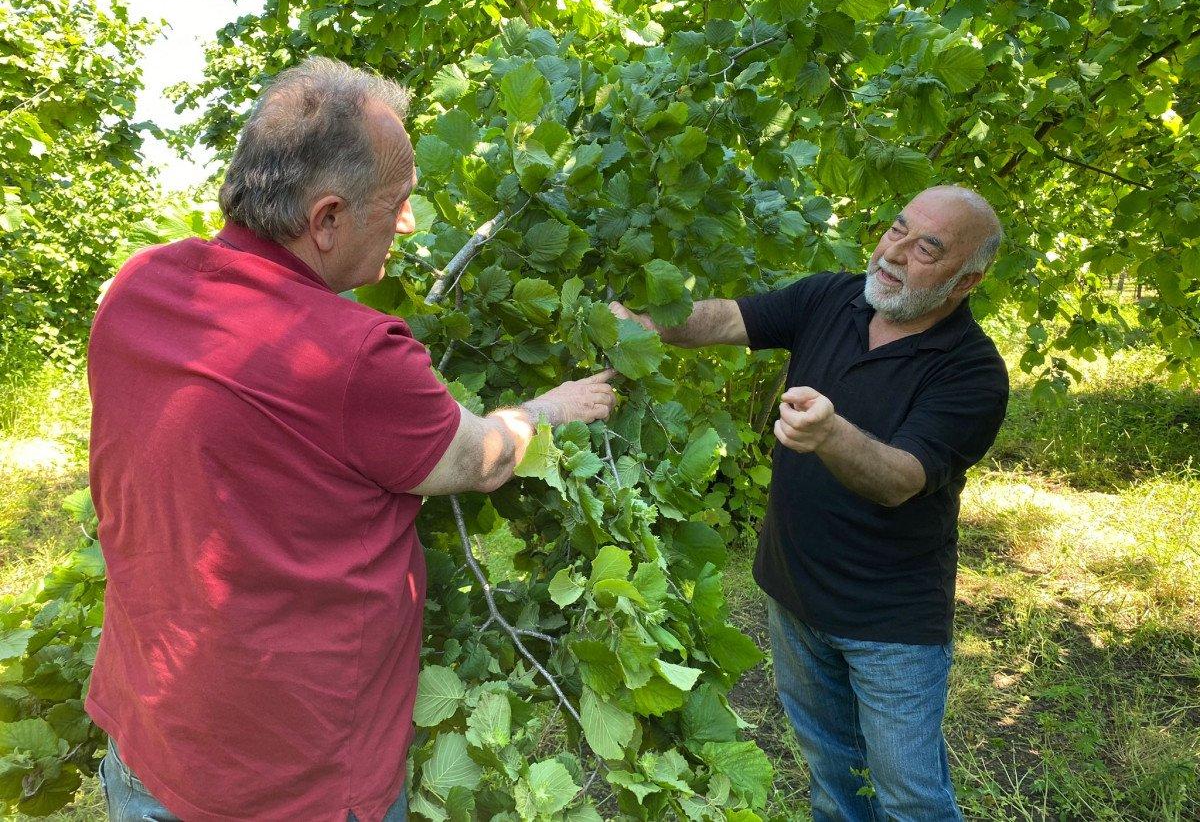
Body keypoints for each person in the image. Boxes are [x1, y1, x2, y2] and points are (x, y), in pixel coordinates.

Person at [85, 57, 616, 822]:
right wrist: (545, 408)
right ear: (327, 220)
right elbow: (480, 459)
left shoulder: (139, 288)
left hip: (148, 744)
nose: (407, 222)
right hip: (295, 785)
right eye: (397, 202)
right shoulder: (355, 356)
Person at [612, 185, 1009, 821]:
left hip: (889, 623)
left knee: (910, 795)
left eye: (927, 247)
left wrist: (829, 433)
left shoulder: (972, 373)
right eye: (896, 229)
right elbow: (723, 319)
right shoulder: (833, 296)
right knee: (831, 771)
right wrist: (641, 323)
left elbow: (901, 477)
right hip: (793, 593)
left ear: (967, 279)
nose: (896, 253)